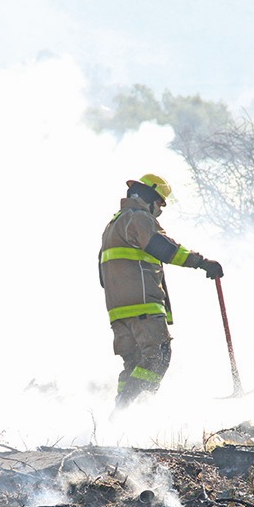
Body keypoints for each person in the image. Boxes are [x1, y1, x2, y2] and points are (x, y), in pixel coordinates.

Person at [99, 174, 223, 408]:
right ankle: (130, 412)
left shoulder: (112, 226)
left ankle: (117, 419)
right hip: (143, 307)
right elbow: (163, 248)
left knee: (133, 364)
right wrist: (202, 262)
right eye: (160, 204)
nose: (161, 211)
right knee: (158, 357)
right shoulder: (138, 218)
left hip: (118, 313)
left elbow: (102, 276)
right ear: (150, 199)